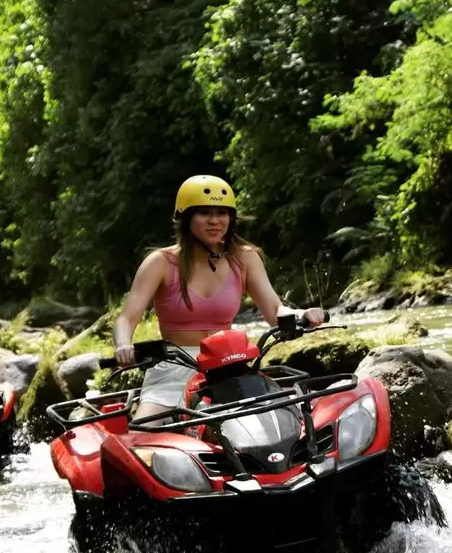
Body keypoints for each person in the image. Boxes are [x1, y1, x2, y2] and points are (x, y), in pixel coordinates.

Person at [113, 175, 327, 418]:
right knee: (147, 428)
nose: (214, 221)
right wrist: (123, 345)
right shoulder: (160, 263)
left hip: (229, 364)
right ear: (186, 218)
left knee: (287, 418)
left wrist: (301, 315)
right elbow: (127, 318)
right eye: (204, 213)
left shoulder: (245, 258)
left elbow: (275, 309)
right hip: (175, 368)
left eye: (222, 213)